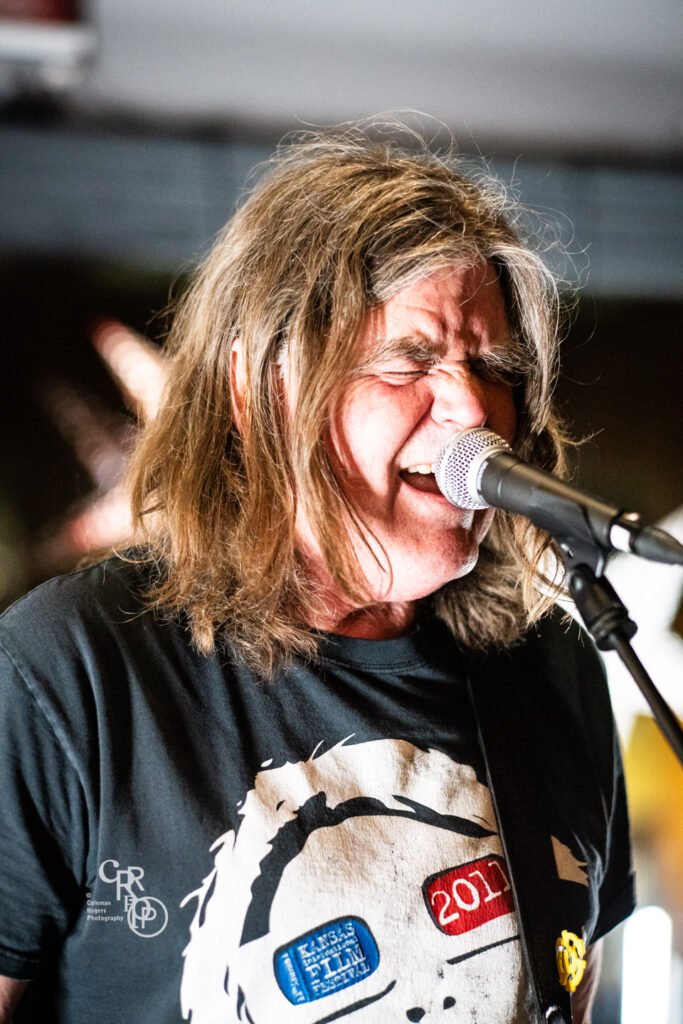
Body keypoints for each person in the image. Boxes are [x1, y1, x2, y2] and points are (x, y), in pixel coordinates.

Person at [0, 125, 634, 1023]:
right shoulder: (63, 672)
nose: (472, 409)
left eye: (492, 366)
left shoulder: (551, 668)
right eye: (410, 358)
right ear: (260, 389)